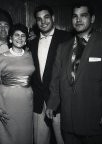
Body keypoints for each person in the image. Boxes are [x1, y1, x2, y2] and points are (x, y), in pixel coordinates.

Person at [46, 2, 102, 144]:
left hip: (96, 122)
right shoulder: (63, 48)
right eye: (75, 16)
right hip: (69, 124)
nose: (78, 20)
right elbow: (56, 80)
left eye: (83, 16)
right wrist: (52, 104)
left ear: (92, 18)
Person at [29, 5, 72, 144]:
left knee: (63, 140)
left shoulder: (67, 38)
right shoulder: (32, 43)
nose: (43, 22)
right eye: (39, 19)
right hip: (39, 102)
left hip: (60, 102)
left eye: (46, 17)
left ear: (53, 18)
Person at [0, 23, 35, 144]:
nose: (20, 38)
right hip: (6, 101)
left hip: (26, 101)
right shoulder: (2, 56)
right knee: (8, 135)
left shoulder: (30, 55)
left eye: (23, 35)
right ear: (11, 38)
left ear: (26, 40)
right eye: (16, 35)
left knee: (24, 133)